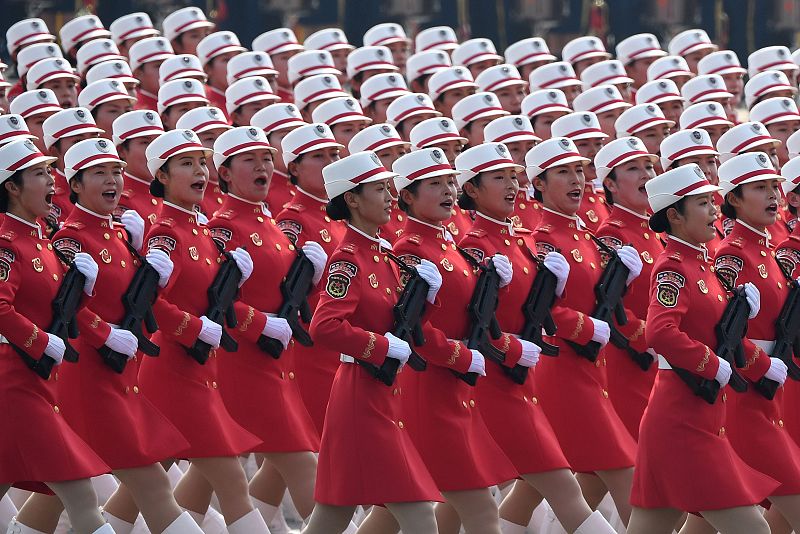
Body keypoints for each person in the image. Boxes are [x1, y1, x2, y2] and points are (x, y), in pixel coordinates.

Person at [16, 138, 203, 534]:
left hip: (120, 376)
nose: (113, 179)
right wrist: (103, 334)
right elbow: (62, 306)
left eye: (116, 170)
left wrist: (152, 271)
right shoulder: (69, 238)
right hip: (89, 374)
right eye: (99, 172)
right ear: (76, 185)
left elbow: (139, 305)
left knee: (59, 493)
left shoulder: (119, 234)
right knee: (148, 484)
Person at [454, 145, 617, 534]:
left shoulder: (518, 240)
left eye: (513, 176)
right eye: (498, 178)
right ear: (472, 190)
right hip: (496, 379)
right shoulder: (477, 246)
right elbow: (476, 323)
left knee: (492, 497)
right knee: (560, 487)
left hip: (523, 377)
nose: (512, 186)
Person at [627, 163, 777, 534]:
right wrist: (711, 364)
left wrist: (752, 346)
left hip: (699, 414)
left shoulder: (701, 262)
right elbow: (660, 332)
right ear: (675, 216)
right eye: (701, 203)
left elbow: (715, 332)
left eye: (712, 201)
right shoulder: (672, 268)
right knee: (753, 528)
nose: (714, 211)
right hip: (681, 419)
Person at [301, 151, 440, 534]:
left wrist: (426, 300)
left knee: (331, 518)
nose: (390, 197)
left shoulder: (383, 254)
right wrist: (379, 346)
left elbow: (398, 325)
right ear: (353, 198)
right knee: (418, 514)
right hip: (361, 394)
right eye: (380, 189)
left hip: (381, 392)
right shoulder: (347, 258)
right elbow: (325, 326)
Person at [140, 128, 270, 533]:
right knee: (231, 479)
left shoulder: (198, 229)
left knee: (146, 484)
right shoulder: (165, 233)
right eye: (185, 164)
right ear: (161, 176)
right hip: (174, 370)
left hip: (197, 368)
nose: (199, 170)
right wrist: (194, 328)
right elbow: (148, 303)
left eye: (201, 162)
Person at [208, 126, 322, 527]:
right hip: (247, 363)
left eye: (266, 159)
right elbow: (216, 303)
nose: (262, 167)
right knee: (304, 463)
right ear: (223, 172)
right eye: (249, 160)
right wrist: (262, 325)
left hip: (278, 361)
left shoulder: (269, 222)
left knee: (208, 478)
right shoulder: (224, 228)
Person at [0, 138, 114, 534]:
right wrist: (39, 340)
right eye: (38, 174)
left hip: (37, 379)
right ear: (12, 186)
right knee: (81, 495)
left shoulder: (39, 237)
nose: (52, 181)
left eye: (49, 172)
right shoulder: (6, 245)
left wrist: (83, 289)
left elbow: (51, 304)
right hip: (15, 380)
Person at [527, 137, 640, 526]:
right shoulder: (542, 240)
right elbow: (538, 312)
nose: (577, 179)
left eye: (579, 170)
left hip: (595, 369)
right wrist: (587, 326)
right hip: (565, 371)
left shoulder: (585, 238)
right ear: (538, 183)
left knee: (581, 483)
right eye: (563, 172)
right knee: (627, 475)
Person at [275, 123, 346, 434]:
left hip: (342, 342)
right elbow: (285, 289)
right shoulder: (293, 219)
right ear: (294, 167)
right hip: (311, 345)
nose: (330, 162)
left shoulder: (339, 215)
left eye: (334, 154)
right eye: (318, 156)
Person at [594, 137, 663, 439]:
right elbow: (610, 306)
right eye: (633, 169)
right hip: (632, 360)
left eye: (648, 166)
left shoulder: (656, 228)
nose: (646, 174)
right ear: (610, 183)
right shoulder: (612, 234)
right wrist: (649, 341)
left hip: (661, 358)